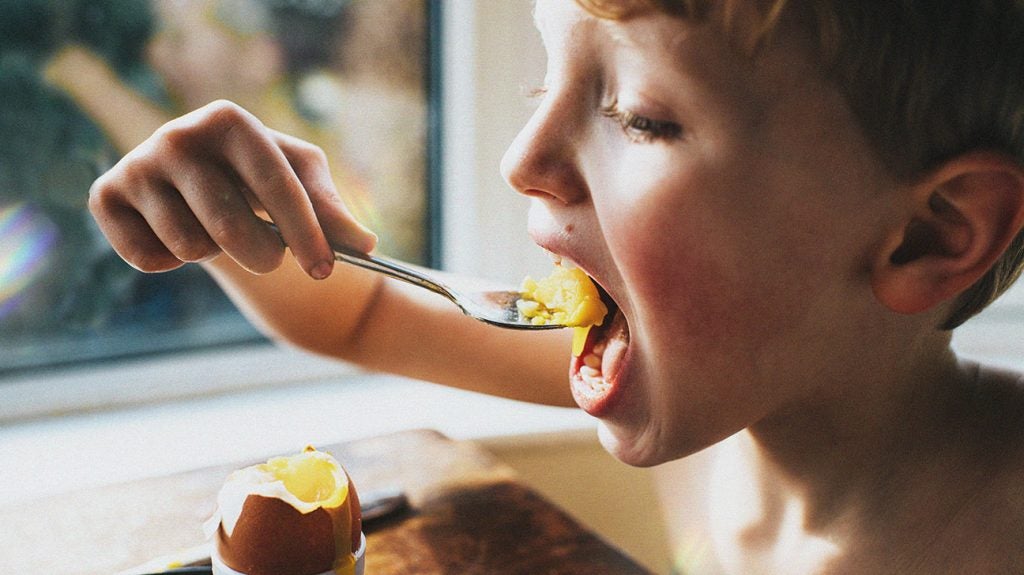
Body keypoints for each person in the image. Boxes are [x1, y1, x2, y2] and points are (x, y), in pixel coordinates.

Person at [87, 0, 1024, 572]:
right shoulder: (720, 390)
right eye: (544, 81)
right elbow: (366, 310)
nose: (522, 160)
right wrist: (222, 214)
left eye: (642, 118)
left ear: (928, 235)